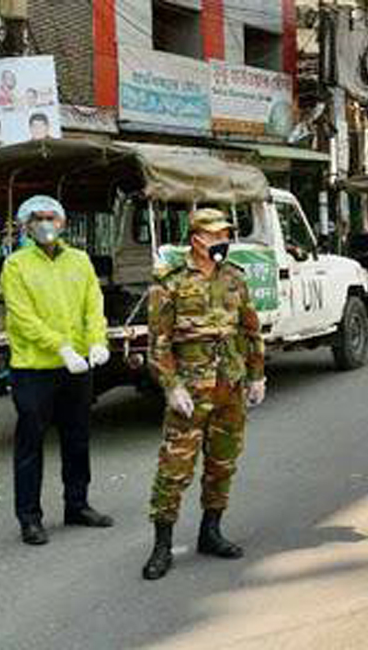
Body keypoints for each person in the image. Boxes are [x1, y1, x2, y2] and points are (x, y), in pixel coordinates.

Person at [141, 208, 266, 581]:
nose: (222, 241)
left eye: (226, 234)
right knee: (174, 469)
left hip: (230, 385)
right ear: (196, 239)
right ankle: (161, 545)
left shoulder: (234, 278)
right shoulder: (170, 283)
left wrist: (257, 375)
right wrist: (172, 386)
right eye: (215, 235)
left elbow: (250, 331)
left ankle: (210, 532)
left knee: (222, 464)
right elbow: (158, 345)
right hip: (191, 391)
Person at [0, 195, 114, 546]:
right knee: (30, 443)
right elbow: (22, 317)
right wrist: (60, 347)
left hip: (78, 367)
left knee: (77, 437)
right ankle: (30, 518)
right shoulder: (16, 266)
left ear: (63, 222)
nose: (46, 223)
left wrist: (97, 341)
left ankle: (77, 505)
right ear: (26, 225)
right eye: (38, 218)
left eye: (52, 217)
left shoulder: (79, 261)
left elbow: (93, 305)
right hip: (34, 368)